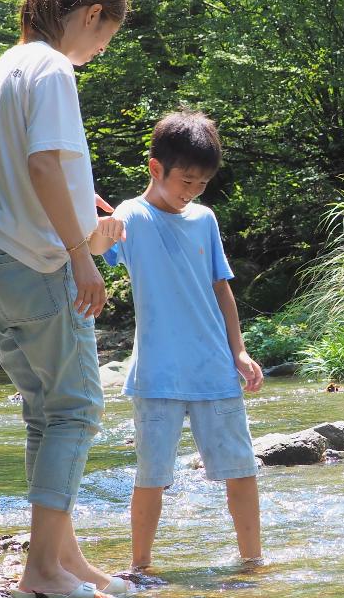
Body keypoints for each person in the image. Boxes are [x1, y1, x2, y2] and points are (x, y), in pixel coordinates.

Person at [0, 0, 134, 598]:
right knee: (76, 410)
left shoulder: (7, 66)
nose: (100, 52)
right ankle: (41, 570)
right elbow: (41, 165)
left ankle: (64, 555)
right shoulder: (55, 69)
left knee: (44, 410)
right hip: (39, 267)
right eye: (106, 38)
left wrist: (78, 201)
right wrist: (81, 254)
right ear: (91, 17)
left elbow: (24, 167)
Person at [94, 111, 265, 573]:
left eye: (201, 183)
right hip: (157, 373)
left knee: (241, 471)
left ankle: (253, 561)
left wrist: (240, 351)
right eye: (186, 180)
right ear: (156, 168)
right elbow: (97, 249)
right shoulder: (132, 214)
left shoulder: (204, 219)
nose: (192, 191)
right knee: (152, 476)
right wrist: (97, 231)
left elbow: (221, 288)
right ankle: (140, 565)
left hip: (214, 368)